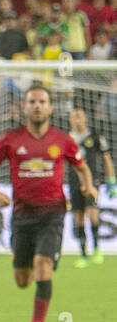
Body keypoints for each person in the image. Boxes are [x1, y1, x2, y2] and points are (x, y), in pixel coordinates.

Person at [0, 84, 96, 322]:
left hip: (52, 214)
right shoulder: (10, 139)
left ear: (50, 107)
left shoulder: (62, 140)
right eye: (32, 101)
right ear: (24, 106)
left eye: (42, 101)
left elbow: (82, 167)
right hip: (22, 216)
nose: (37, 106)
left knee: (43, 267)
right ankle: (32, 262)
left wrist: (87, 186)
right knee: (23, 281)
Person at [66, 106, 113, 266]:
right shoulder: (67, 139)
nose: (77, 119)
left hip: (93, 182)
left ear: (85, 118)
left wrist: (111, 181)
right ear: (70, 120)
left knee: (92, 214)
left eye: (80, 116)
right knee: (78, 217)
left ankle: (97, 249)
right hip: (74, 183)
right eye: (74, 116)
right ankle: (83, 254)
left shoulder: (95, 136)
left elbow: (106, 158)